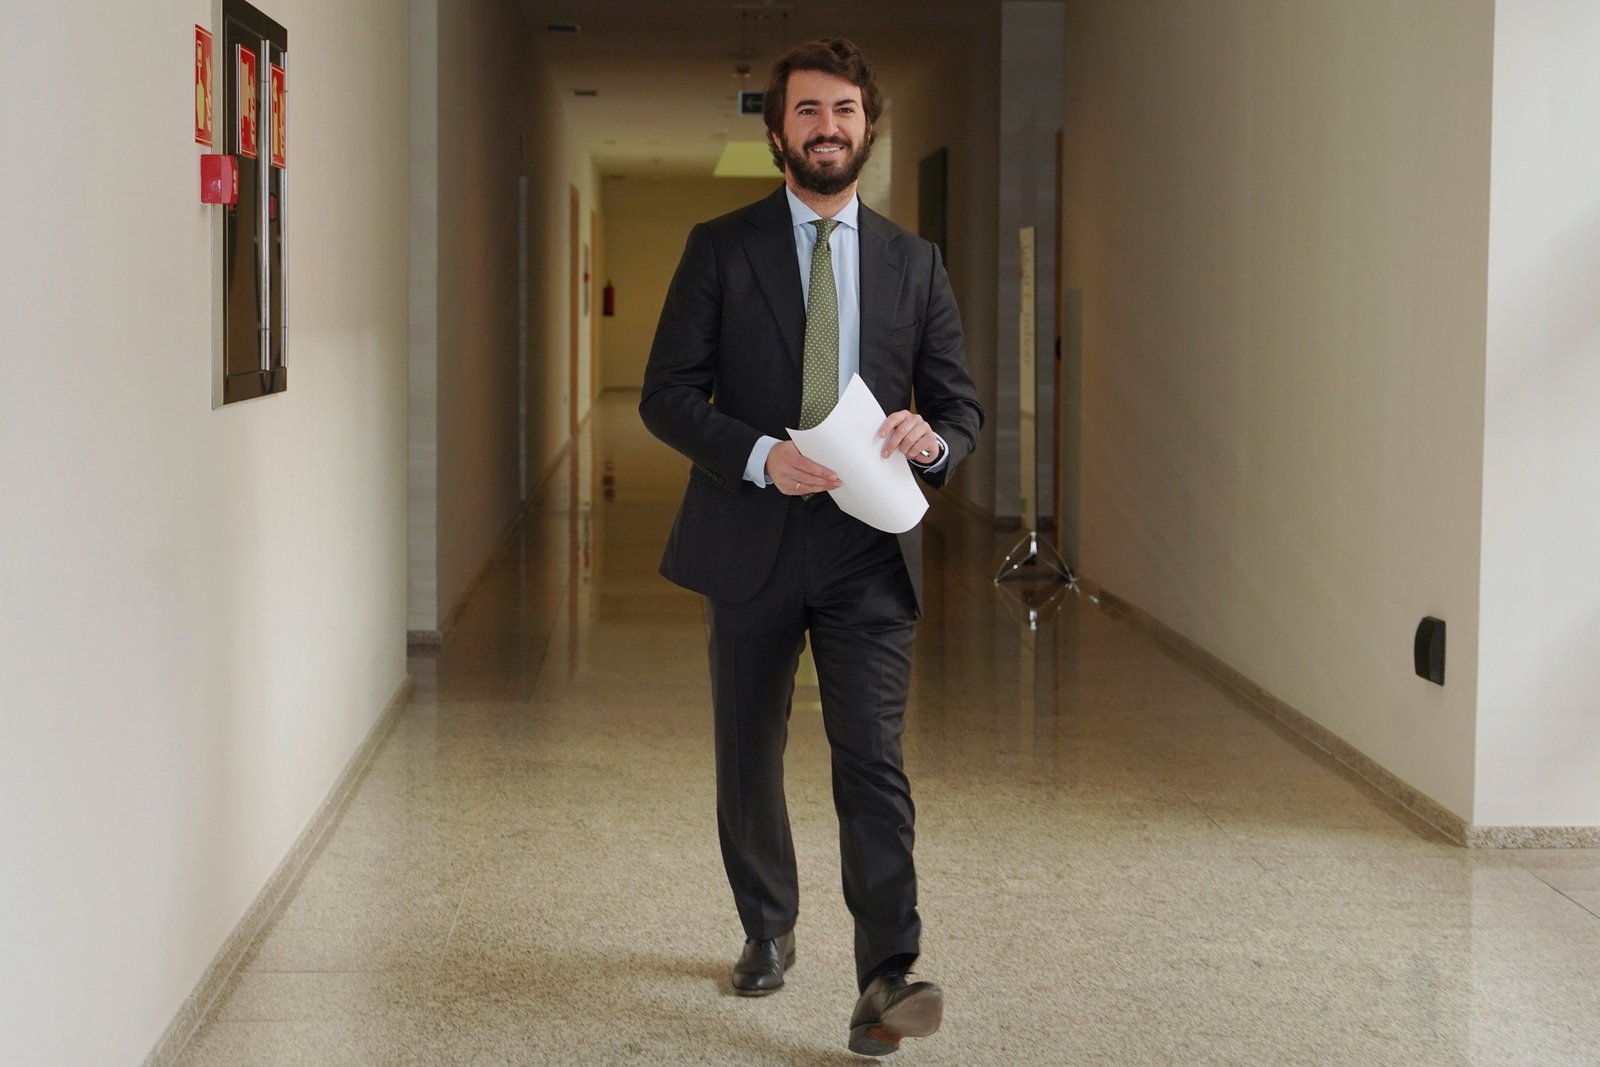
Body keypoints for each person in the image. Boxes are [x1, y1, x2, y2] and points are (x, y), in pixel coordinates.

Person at [639, 37, 983, 1058]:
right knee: (749, 749)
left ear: (866, 126)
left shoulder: (915, 262)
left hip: (867, 548)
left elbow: (958, 405)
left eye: (843, 110)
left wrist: (934, 440)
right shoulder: (719, 246)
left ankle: (886, 974)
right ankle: (767, 924)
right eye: (807, 111)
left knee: (871, 756)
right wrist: (758, 456)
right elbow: (666, 393)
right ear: (778, 132)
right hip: (749, 532)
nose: (827, 128)